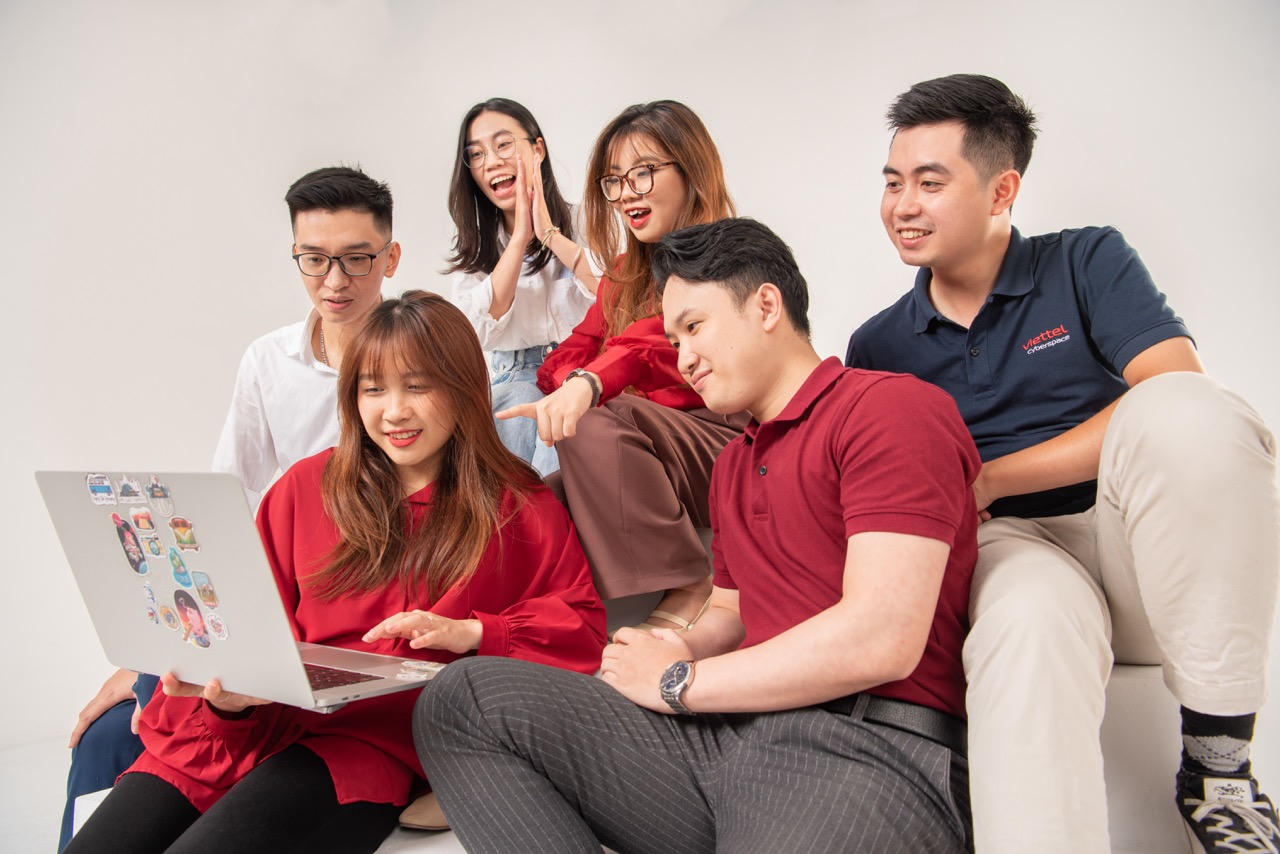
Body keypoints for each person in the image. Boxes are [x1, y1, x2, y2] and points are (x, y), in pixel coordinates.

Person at [416, 218, 981, 853]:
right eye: (673, 337)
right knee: (463, 702)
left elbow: (882, 639)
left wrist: (677, 683)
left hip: (866, 747)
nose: (682, 358)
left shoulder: (888, 410)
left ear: (765, 306)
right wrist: (666, 649)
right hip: (729, 740)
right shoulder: (735, 463)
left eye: (694, 327)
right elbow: (732, 614)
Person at [846, 74, 1280, 852]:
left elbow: (1172, 383)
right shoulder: (878, 347)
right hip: (1012, 551)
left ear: (1002, 189)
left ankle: (1219, 767)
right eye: (892, 182)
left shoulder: (1085, 260)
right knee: (1025, 618)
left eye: (929, 183)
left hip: (1139, 541)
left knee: (1193, 411)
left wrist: (993, 477)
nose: (902, 205)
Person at [64, 290, 607, 853]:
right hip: (253, 723)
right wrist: (229, 695)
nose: (394, 411)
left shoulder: (518, 506)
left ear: (463, 388)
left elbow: (581, 625)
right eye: (373, 389)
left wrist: (473, 632)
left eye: (417, 386)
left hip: (366, 745)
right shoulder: (303, 487)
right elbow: (251, 619)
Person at [59, 165, 404, 851]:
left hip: (363, 617)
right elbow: (221, 513)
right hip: (268, 606)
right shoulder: (268, 361)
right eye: (313, 259)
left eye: (357, 259)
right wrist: (155, 656)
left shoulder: (422, 360)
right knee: (109, 735)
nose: (334, 281)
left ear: (391, 257)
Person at [502, 100, 741, 632]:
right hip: (637, 451)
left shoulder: (732, 257)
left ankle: (688, 581)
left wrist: (595, 382)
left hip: (723, 445)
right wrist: (582, 380)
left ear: (692, 169)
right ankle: (527, 628)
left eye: (644, 172)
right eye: (614, 180)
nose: (627, 192)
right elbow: (571, 351)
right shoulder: (623, 274)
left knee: (589, 418)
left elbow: (653, 345)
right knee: (528, 505)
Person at [446, 97, 598, 476]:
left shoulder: (587, 221)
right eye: (476, 154)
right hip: (513, 375)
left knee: (567, 440)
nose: (490, 162)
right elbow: (476, 329)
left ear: (537, 150)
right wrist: (519, 239)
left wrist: (550, 235)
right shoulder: (473, 247)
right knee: (516, 419)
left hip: (584, 370)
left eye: (503, 145)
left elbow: (616, 296)